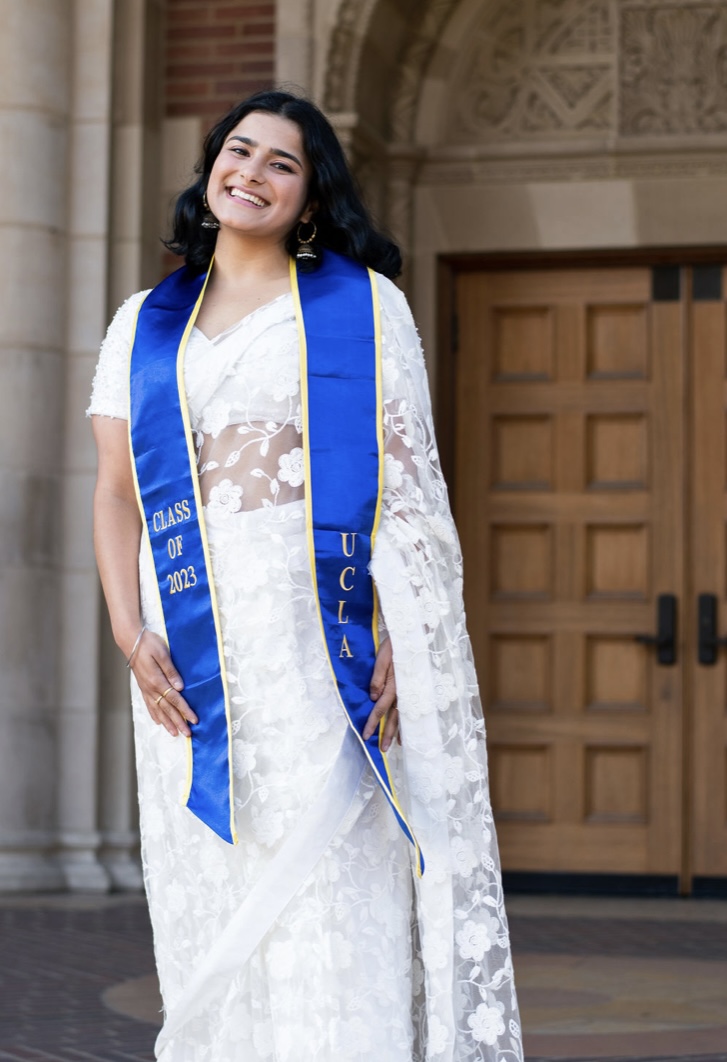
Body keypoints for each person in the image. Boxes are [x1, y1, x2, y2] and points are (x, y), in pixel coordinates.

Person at [89, 89, 523, 1062]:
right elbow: (115, 491)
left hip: (318, 645)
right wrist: (126, 627)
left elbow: (409, 488)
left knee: (331, 887)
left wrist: (409, 634)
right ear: (210, 169)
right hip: (188, 649)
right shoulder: (142, 325)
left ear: (311, 198)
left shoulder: (363, 308)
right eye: (237, 151)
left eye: (280, 163)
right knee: (218, 883)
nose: (250, 172)